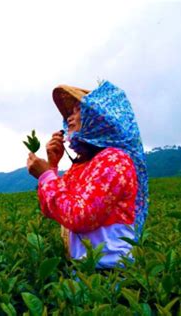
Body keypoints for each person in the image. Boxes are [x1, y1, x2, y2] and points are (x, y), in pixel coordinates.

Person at [26, 80, 149, 269]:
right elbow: (53, 210)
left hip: (111, 272)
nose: (69, 118)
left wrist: (46, 177)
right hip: (86, 269)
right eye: (69, 113)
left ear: (97, 118)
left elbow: (79, 217)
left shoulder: (114, 160)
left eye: (77, 111)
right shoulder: (83, 165)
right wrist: (52, 166)